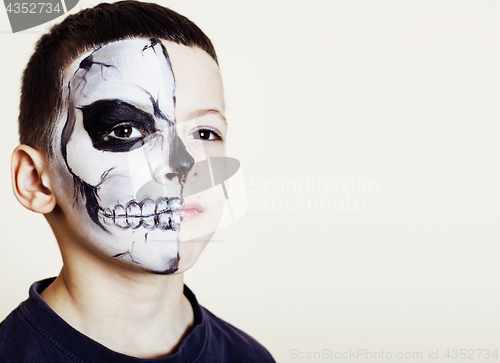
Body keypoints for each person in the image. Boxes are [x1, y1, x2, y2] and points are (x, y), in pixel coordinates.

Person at [0, 1, 275, 361]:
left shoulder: (249, 357)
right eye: (125, 129)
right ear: (36, 180)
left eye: (205, 133)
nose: (182, 164)